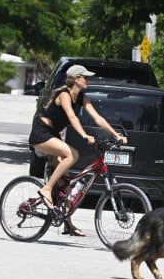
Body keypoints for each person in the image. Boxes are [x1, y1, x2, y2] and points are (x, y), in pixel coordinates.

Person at [28, 64, 127, 236]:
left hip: (53, 135)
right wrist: (84, 135)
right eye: (85, 77)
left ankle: (67, 224)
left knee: (66, 188)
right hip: (41, 133)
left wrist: (116, 134)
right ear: (75, 79)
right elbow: (71, 116)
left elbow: (98, 118)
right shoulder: (64, 94)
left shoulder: (82, 98)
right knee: (72, 154)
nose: (88, 80)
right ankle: (46, 189)